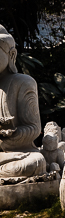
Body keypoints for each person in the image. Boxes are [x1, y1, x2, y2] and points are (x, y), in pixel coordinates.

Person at [0, 25, 47, 178]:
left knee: (34, 163)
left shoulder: (23, 82)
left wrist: (10, 135)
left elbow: (34, 128)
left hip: (18, 152)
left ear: (11, 55)